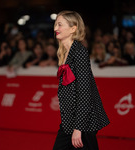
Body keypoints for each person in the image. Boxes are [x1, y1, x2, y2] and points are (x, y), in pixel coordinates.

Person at [53, 10, 110, 150]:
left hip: (84, 122)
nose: (55, 29)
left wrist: (78, 128)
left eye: (60, 25)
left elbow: (85, 92)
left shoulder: (79, 52)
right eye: (55, 24)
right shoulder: (64, 52)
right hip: (69, 121)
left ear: (73, 28)